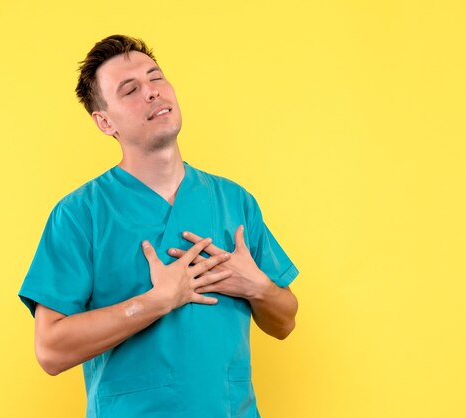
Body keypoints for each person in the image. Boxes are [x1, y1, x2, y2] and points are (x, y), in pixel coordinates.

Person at [18, 34, 299, 418]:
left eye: (156, 78)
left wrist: (259, 287)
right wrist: (156, 302)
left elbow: (285, 321)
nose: (151, 93)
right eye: (130, 89)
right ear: (104, 121)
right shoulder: (80, 214)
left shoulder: (234, 202)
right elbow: (50, 350)